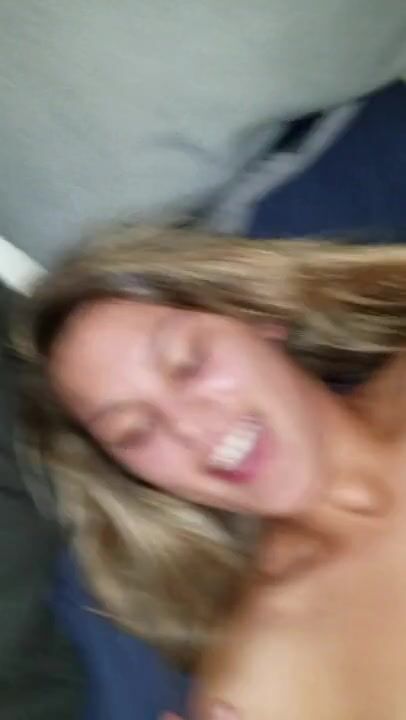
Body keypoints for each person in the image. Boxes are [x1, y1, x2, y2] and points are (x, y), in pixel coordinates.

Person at [16, 225, 406, 718]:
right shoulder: (261, 680)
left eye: (189, 364)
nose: (191, 428)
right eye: (135, 431)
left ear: (257, 319)